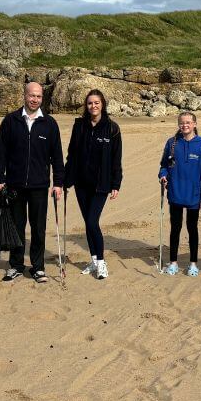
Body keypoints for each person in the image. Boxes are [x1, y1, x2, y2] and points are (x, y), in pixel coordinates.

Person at [0, 82, 65, 283]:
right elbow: (2, 153)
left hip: (40, 186)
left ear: (42, 98)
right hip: (14, 185)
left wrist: (58, 182)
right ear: (24, 96)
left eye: (39, 97)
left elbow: (57, 157)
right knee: (17, 227)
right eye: (31, 96)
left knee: (38, 228)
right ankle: (16, 265)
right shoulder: (10, 121)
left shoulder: (50, 124)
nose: (34, 100)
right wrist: (0, 179)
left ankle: (38, 267)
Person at [63, 89, 123, 280]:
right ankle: (94, 260)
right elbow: (72, 154)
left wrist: (116, 184)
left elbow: (116, 159)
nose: (93, 106)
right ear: (86, 106)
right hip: (82, 183)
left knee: (92, 221)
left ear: (102, 104)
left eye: (96, 102)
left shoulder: (112, 128)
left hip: (101, 185)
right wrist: (65, 180)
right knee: (88, 224)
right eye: (90, 103)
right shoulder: (79, 126)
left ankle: (102, 262)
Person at [158, 111, 201, 277]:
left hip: (194, 196)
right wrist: (163, 175)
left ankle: (193, 264)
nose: (185, 125)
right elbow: (164, 165)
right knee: (175, 227)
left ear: (195, 124)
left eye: (188, 122)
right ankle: (173, 262)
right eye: (182, 123)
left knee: (192, 228)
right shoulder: (172, 143)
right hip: (175, 193)